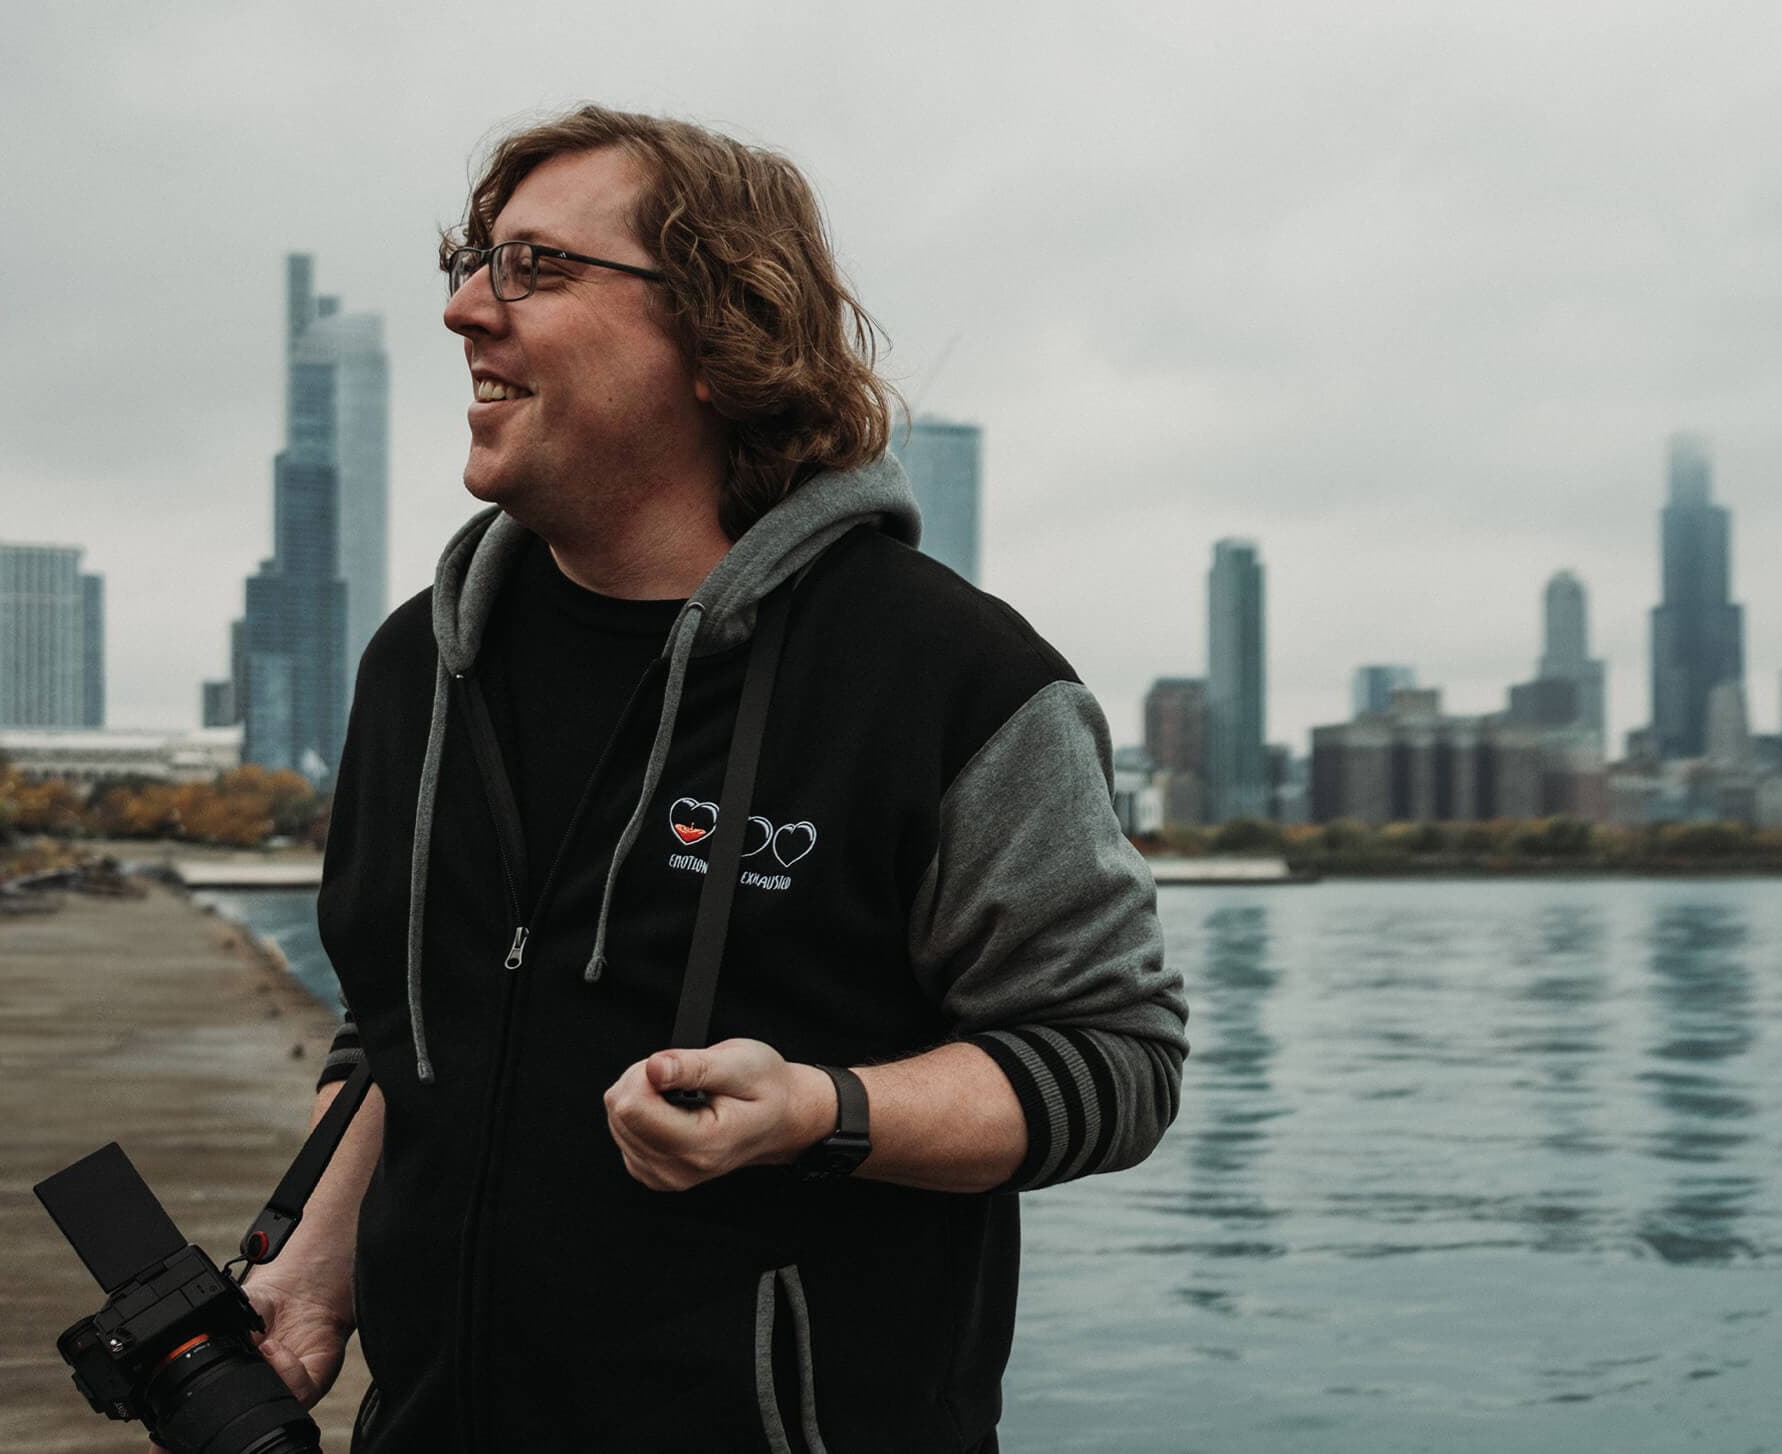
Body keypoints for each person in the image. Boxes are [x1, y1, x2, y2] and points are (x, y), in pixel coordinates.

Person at [233, 106, 1187, 1453]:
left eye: (536, 268)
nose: (463, 311)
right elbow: (402, 1027)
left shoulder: (953, 679)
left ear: (717, 331)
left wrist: (820, 1109)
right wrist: (315, 1261)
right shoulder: (415, 669)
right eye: (471, 262)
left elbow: (1115, 1057)